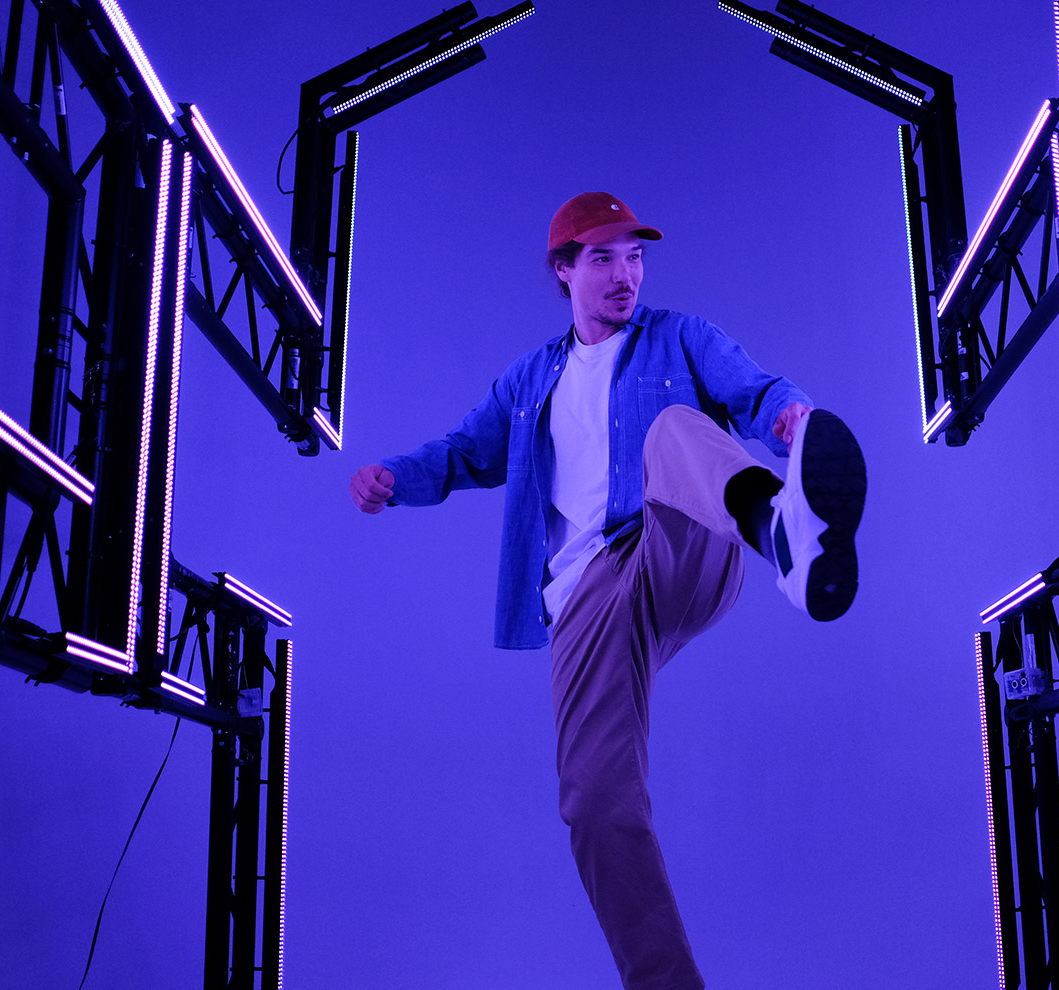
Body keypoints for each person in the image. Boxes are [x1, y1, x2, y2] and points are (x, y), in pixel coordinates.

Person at [348, 192, 866, 990]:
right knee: (593, 803)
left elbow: (754, 390)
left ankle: (784, 535)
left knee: (675, 429)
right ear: (564, 270)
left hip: (677, 543)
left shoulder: (681, 338)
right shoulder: (529, 381)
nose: (626, 276)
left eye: (635, 257)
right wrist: (394, 478)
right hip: (587, 592)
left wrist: (790, 417)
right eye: (604, 259)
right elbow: (461, 453)